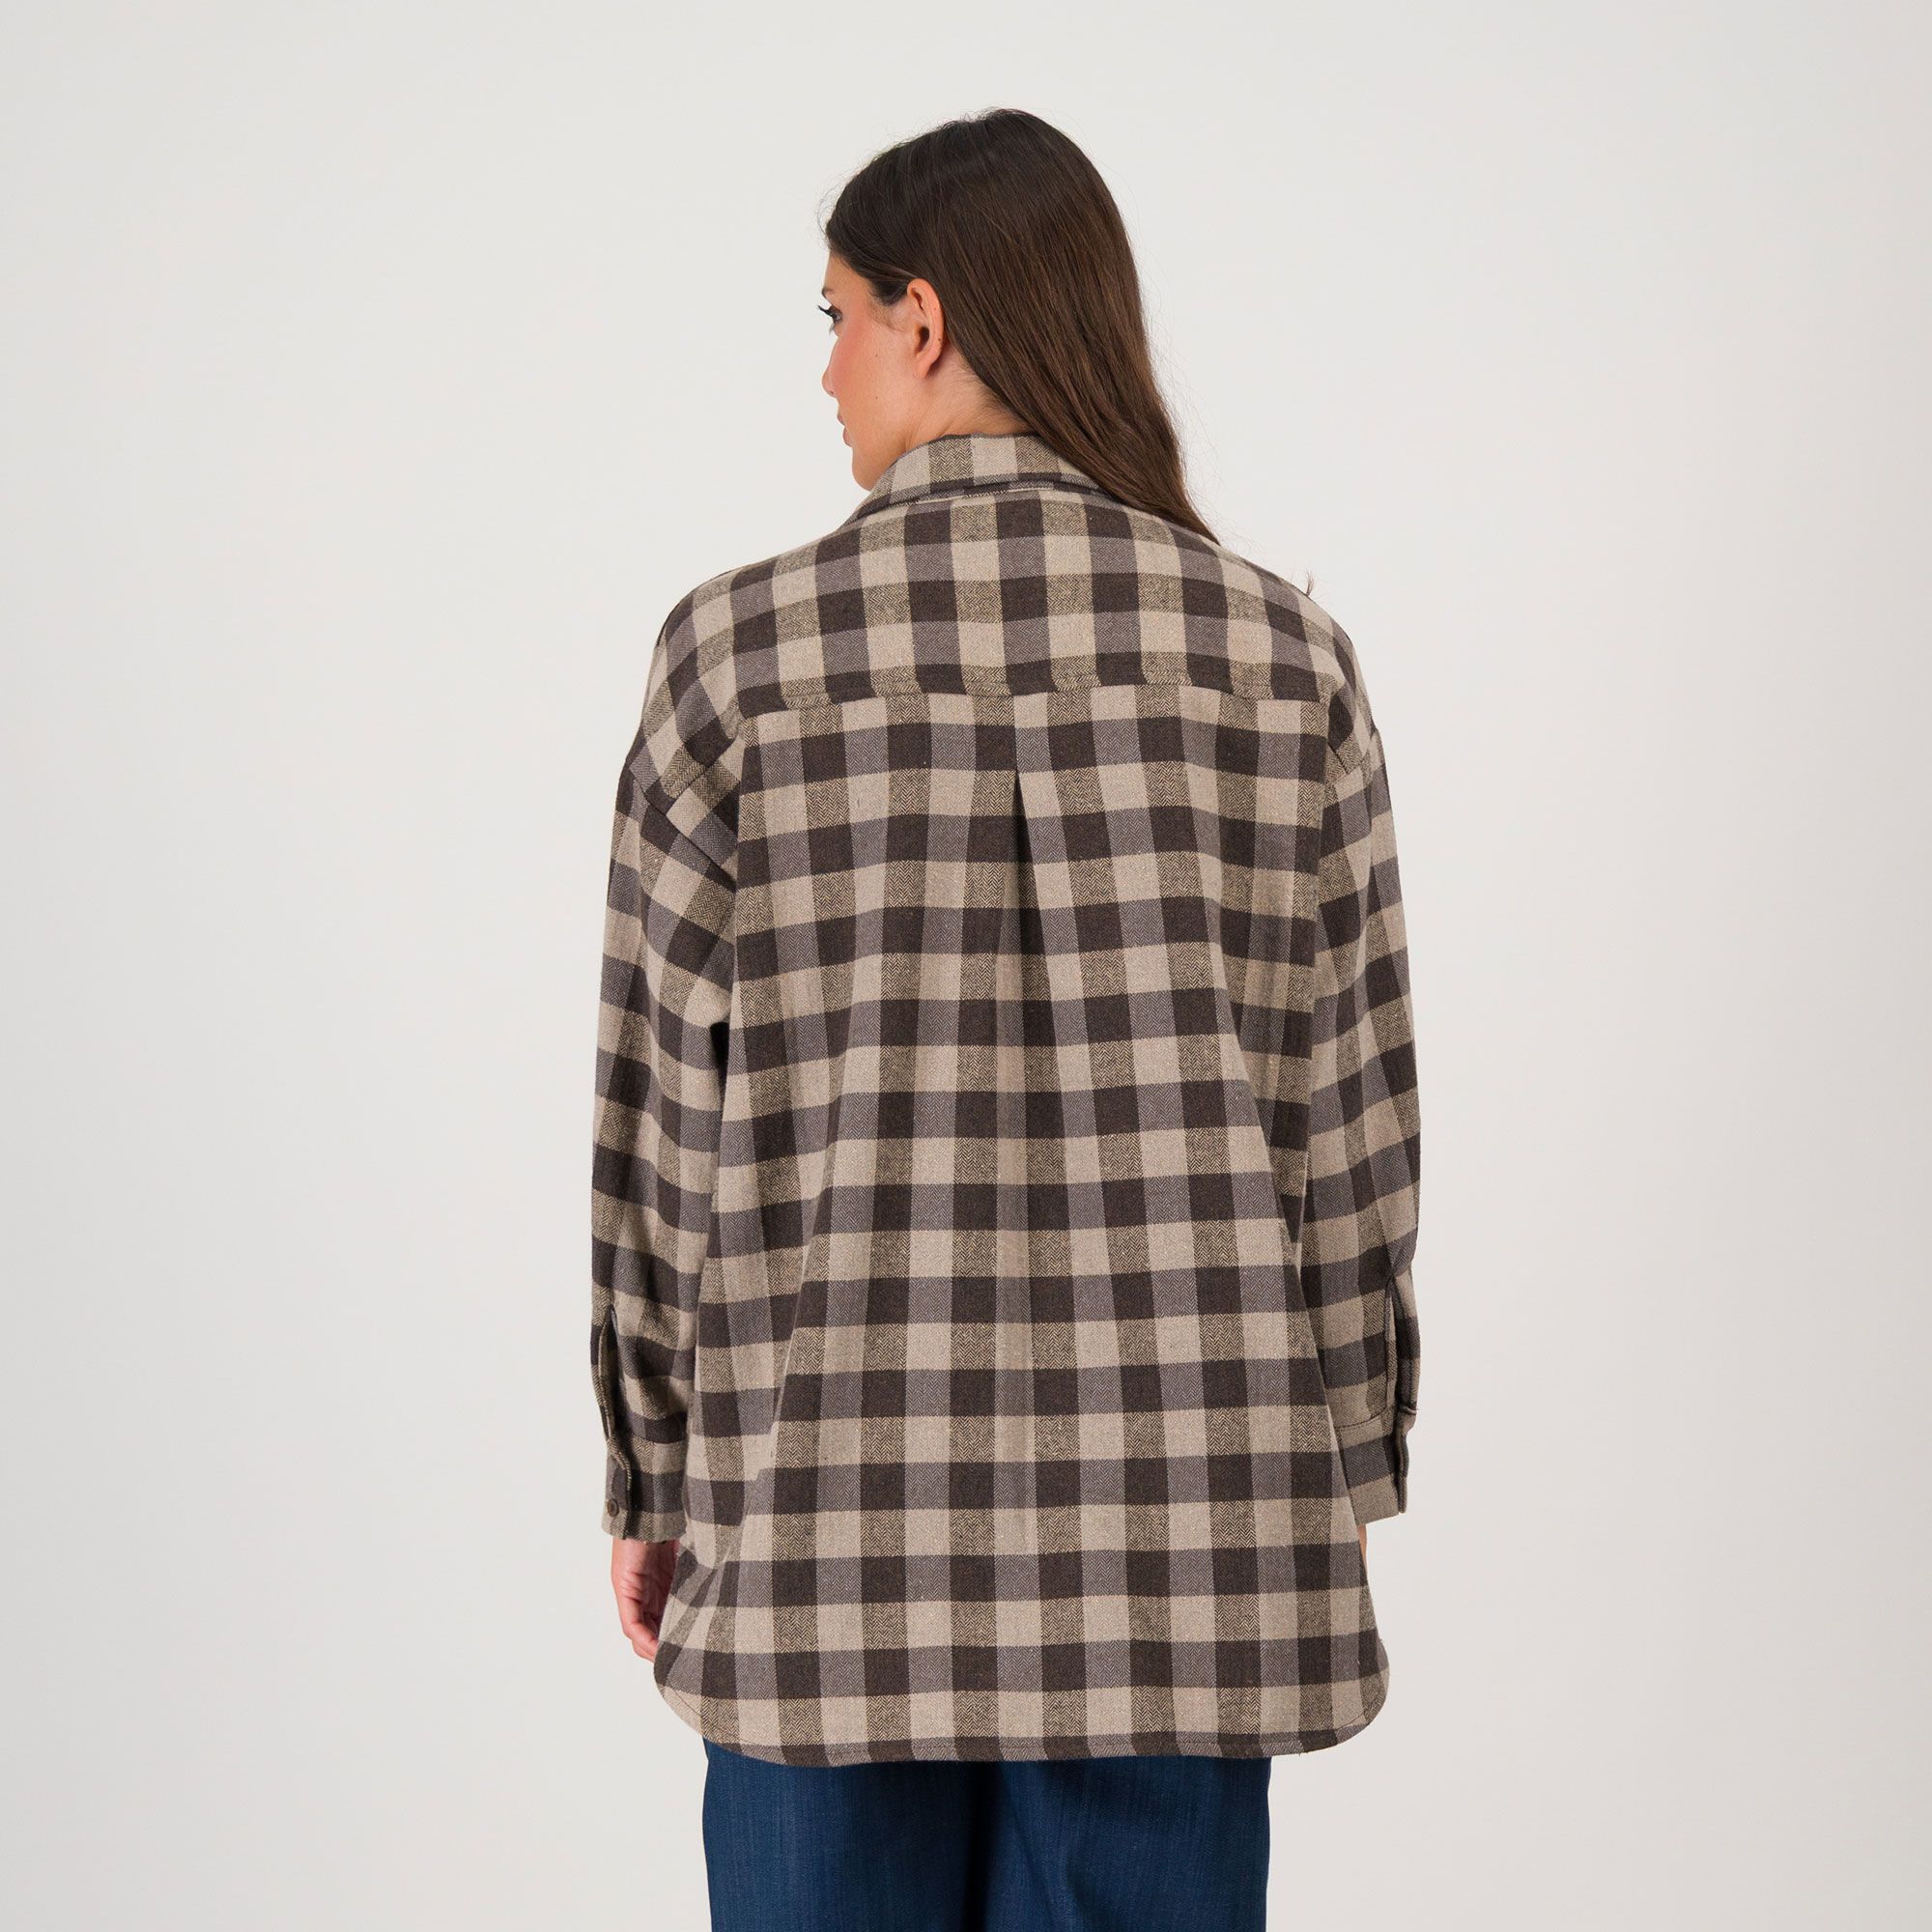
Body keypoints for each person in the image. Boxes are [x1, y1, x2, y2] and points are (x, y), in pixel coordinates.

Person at [590, 106, 1422, 1932]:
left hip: (820, 1529)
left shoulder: (736, 662)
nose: (824, 371)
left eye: (834, 317)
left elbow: (659, 1125)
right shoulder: (1279, 662)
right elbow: (1349, 1114)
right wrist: (1342, 1454)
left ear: (927, 316)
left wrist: (652, 1463)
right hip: (1188, 1534)